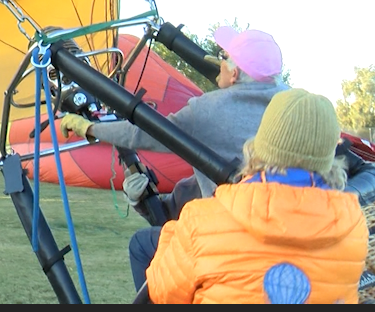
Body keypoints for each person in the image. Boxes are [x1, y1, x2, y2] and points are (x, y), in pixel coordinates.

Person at [59, 26, 288, 288]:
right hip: (283, 224)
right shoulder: (292, 103)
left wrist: (89, 128)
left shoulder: (210, 109)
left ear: (234, 73)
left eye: (223, 57)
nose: (218, 63)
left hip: (232, 235)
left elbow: (147, 134)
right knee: (188, 190)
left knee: (143, 245)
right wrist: (144, 203)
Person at [144, 88, 368, 304]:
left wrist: (172, 230)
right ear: (329, 157)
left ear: (260, 144)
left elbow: (163, 293)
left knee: (141, 244)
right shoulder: (354, 225)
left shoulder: (199, 219)